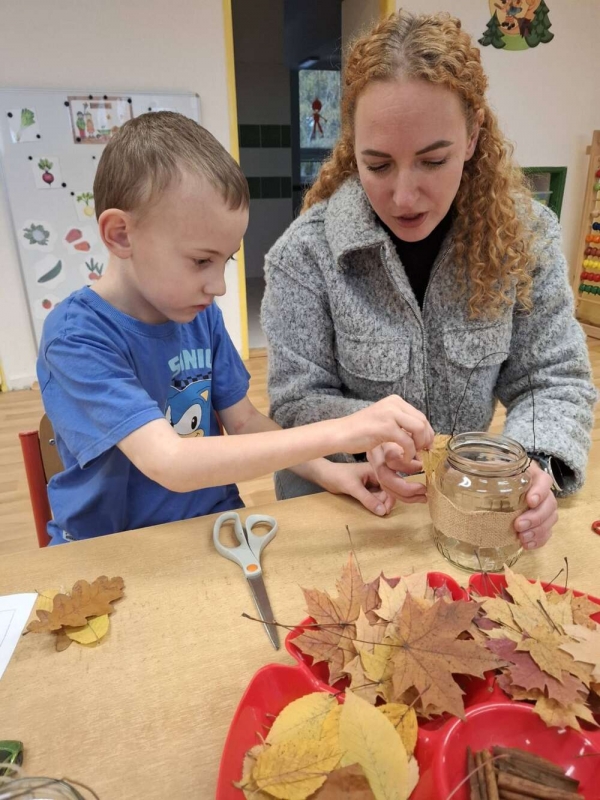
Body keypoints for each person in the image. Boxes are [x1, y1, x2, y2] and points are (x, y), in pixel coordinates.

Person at [261, 10, 597, 552]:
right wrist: (364, 434)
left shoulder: (524, 238)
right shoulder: (304, 255)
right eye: (378, 165)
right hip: (338, 512)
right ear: (353, 147)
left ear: (472, 135)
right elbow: (296, 401)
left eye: (433, 160)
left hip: (467, 514)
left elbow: (552, 378)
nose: (404, 196)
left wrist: (533, 465)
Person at [37, 112, 435, 545]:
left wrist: (328, 470)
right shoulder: (75, 338)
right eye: (200, 261)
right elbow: (170, 461)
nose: (219, 286)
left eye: (225, 261)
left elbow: (243, 421)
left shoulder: (197, 315)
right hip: (112, 547)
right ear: (120, 235)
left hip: (212, 526)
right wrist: (347, 428)